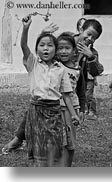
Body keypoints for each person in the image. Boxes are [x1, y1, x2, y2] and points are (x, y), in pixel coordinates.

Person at [20, 15, 80, 167]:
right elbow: (24, 46)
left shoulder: (61, 69)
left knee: (54, 144)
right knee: (37, 144)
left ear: (56, 50)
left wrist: (73, 114)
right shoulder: (33, 63)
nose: (46, 48)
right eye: (42, 45)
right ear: (37, 49)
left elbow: (66, 95)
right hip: (37, 110)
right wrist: (26, 28)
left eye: (50, 45)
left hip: (54, 111)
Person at [57, 32, 85, 167]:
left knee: (70, 141)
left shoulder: (78, 69)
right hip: (55, 107)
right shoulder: (54, 66)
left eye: (67, 48)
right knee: (59, 140)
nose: (63, 51)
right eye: (60, 48)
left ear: (74, 51)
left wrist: (80, 110)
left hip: (72, 108)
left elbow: (81, 90)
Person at [74, 19, 104, 120]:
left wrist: (91, 57)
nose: (90, 38)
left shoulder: (92, 52)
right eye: (89, 34)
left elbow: (96, 71)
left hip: (75, 93)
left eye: (94, 38)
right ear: (81, 29)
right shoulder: (67, 42)